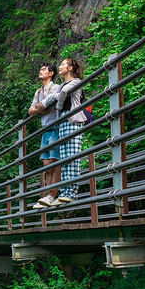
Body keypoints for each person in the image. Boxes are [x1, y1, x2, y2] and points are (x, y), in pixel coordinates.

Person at [37, 57, 87, 206]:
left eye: (63, 64)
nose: (60, 66)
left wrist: (57, 104)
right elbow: (54, 96)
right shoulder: (61, 86)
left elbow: (64, 92)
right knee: (64, 159)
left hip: (73, 120)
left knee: (72, 157)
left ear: (70, 68)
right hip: (63, 122)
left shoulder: (76, 81)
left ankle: (72, 193)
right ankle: (64, 192)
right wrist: (44, 103)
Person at [28, 63, 61, 209]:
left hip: (55, 127)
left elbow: (46, 105)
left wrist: (40, 108)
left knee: (55, 162)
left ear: (51, 73)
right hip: (45, 129)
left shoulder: (55, 88)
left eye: (44, 69)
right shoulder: (38, 92)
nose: (41, 71)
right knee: (46, 165)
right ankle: (47, 195)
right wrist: (41, 109)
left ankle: (52, 195)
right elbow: (31, 110)